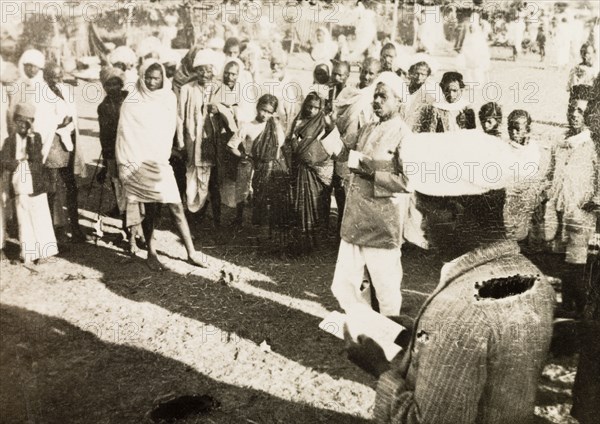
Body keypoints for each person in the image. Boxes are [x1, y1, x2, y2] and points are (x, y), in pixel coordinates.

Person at [344, 131, 555, 424]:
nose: (421, 226)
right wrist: (415, 334)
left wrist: (379, 367)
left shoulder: (456, 310)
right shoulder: (535, 280)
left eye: (425, 213)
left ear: (454, 213)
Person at [330, 72, 411, 317]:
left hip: (381, 223)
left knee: (386, 287)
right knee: (345, 283)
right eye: (375, 95)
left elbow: (407, 181)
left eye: (383, 96)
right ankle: (361, 326)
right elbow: (343, 154)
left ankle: (390, 335)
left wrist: (373, 175)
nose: (376, 100)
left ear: (399, 101)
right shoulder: (367, 128)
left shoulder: (404, 135)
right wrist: (329, 129)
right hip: (355, 218)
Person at [116, 60, 206, 271]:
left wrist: (165, 151)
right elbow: (125, 134)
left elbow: (168, 128)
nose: (152, 81)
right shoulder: (132, 101)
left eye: (156, 78)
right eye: (148, 77)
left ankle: (191, 251)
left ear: (163, 78)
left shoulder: (168, 98)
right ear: (142, 76)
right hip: (139, 162)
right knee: (150, 208)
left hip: (159, 161)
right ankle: (151, 252)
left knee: (176, 206)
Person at [547, 89, 597, 318]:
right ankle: (565, 305)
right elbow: (550, 172)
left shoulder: (593, 144)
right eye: (572, 109)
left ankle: (577, 308)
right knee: (561, 256)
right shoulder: (560, 141)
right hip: (560, 207)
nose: (575, 115)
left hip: (581, 210)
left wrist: (594, 201)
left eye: (581, 111)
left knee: (577, 261)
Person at [1, 103, 58, 264]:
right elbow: (4, 161)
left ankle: (44, 253)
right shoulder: (9, 141)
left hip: (36, 185)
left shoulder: (36, 138)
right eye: (19, 121)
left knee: (40, 217)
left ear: (31, 122)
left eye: (26, 122)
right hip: (19, 186)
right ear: (14, 121)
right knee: (23, 220)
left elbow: (36, 158)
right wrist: (17, 163)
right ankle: (27, 254)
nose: (22, 125)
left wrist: (31, 136)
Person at [283, 91, 339, 254]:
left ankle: (316, 242)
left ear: (320, 108)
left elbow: (328, 147)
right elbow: (290, 141)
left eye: (315, 107)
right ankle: (302, 242)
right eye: (309, 106)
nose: (311, 110)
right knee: (300, 206)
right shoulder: (299, 120)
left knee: (316, 206)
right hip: (300, 170)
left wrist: (308, 155)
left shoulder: (323, 122)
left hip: (316, 172)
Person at [228, 94, 288, 235]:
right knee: (243, 193)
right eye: (262, 110)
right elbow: (231, 146)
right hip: (249, 165)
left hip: (267, 166)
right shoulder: (248, 126)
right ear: (257, 108)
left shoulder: (275, 126)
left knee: (262, 196)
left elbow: (280, 144)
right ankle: (239, 218)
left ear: (273, 113)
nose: (264, 114)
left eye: (269, 112)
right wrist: (244, 156)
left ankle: (259, 225)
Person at [41, 63, 88, 242]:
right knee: (51, 189)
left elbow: (72, 117)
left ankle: (75, 228)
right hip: (51, 144)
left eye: (60, 77)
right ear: (46, 77)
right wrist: (60, 123)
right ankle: (52, 231)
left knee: (71, 187)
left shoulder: (65, 91)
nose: (57, 81)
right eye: (53, 77)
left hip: (66, 143)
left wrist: (68, 124)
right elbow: (42, 121)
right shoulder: (40, 94)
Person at [176, 49, 223, 227]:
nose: (204, 74)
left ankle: (201, 210)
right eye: (201, 70)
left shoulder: (219, 88)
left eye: (208, 70)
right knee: (191, 174)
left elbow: (229, 111)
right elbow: (180, 116)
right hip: (192, 139)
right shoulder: (187, 88)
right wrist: (181, 139)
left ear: (214, 71)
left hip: (210, 140)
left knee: (208, 176)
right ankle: (192, 210)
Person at [502, 109, 553, 249]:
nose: (514, 132)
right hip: (512, 198)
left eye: (518, 128)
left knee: (534, 231)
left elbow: (542, 173)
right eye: (510, 128)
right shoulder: (504, 149)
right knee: (513, 234)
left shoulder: (535, 148)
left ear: (527, 128)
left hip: (531, 197)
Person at [268, 50, 303, 134]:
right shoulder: (270, 81)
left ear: (285, 64)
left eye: (278, 64)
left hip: (287, 127)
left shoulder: (292, 82)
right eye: (272, 64)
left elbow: (295, 113)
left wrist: (288, 134)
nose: (275, 67)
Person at [400, 61, 435, 133]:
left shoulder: (428, 98)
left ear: (427, 76)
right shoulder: (400, 90)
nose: (419, 77)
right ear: (410, 74)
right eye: (416, 73)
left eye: (423, 75)